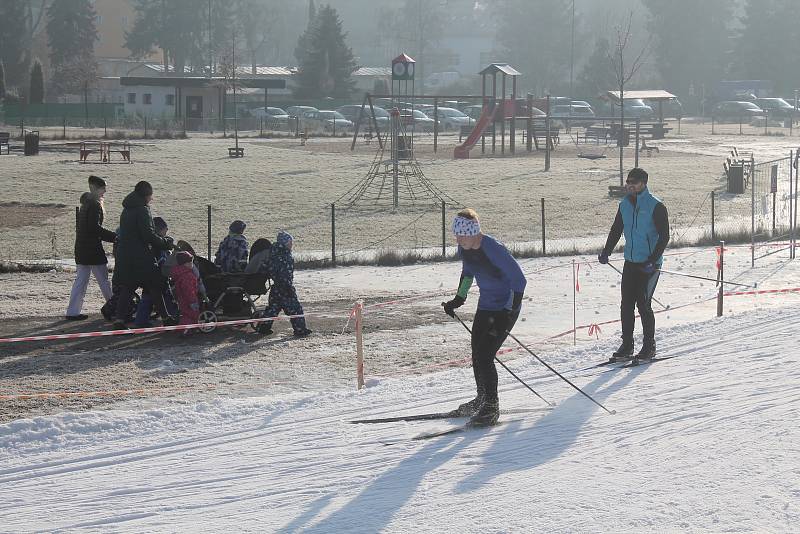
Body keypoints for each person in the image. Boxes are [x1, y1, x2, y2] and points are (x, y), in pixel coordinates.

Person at [442, 208, 526, 427]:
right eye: (456, 235)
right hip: (486, 306)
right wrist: (458, 300)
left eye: (461, 235)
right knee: (476, 354)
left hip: (505, 308)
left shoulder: (494, 249)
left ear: (473, 232)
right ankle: (481, 398)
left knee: (485, 355)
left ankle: (491, 407)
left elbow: (519, 280)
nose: (458, 239)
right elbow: (468, 273)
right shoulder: (466, 249)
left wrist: (511, 311)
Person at [598, 167, 669, 362]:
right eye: (628, 182)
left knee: (643, 305)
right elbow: (616, 229)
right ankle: (627, 345)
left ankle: (649, 346)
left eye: (634, 182)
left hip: (648, 264)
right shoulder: (624, 205)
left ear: (643, 184)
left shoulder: (656, 206)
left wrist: (653, 260)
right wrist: (607, 251)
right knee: (626, 304)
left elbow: (664, 237)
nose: (630, 185)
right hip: (630, 261)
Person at [113, 181, 176, 329]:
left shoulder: (127, 209)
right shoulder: (142, 210)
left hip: (125, 254)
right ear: (146, 196)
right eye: (150, 196)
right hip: (140, 256)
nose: (151, 199)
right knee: (155, 285)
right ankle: (166, 318)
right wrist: (165, 243)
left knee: (128, 287)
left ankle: (119, 320)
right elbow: (148, 235)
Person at [66, 175, 116, 320]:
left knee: (80, 280)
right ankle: (115, 307)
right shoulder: (95, 205)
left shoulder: (86, 204)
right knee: (104, 281)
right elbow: (95, 228)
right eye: (102, 189)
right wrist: (114, 237)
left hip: (81, 248)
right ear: (94, 188)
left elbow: (89, 228)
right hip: (93, 249)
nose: (104, 192)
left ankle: (72, 311)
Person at [256, 231, 312, 337]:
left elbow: (265, 268)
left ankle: (263, 328)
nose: (291, 244)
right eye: (290, 242)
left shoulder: (272, 252)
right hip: (285, 287)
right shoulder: (285, 255)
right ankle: (300, 330)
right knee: (295, 309)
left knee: (273, 308)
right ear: (285, 242)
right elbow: (285, 273)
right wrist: (288, 287)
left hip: (276, 287)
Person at [133, 216, 177, 327]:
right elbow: (163, 261)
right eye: (165, 229)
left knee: (146, 298)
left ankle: (140, 321)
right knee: (166, 297)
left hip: (146, 275)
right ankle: (172, 317)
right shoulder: (159, 244)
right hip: (158, 276)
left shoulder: (147, 242)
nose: (166, 231)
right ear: (159, 229)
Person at [171, 251, 200, 334]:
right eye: (191, 262)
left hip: (181, 298)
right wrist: (193, 301)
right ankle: (186, 330)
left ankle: (186, 329)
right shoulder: (188, 276)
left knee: (185, 314)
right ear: (185, 264)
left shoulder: (179, 273)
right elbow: (189, 290)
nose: (192, 264)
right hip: (189, 299)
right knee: (191, 314)